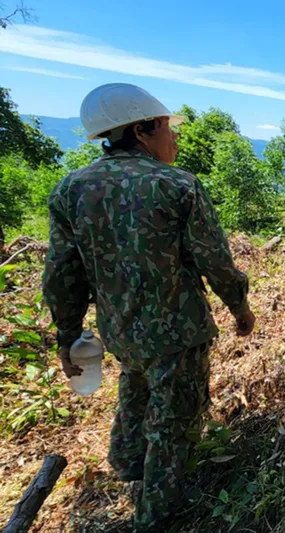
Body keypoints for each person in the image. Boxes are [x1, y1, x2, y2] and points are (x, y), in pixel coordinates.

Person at [41, 83, 256, 531]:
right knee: (173, 425)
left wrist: (67, 336)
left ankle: (128, 466)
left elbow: (63, 275)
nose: (174, 137)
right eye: (167, 127)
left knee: (135, 391)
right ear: (141, 130)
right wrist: (240, 308)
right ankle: (154, 515)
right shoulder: (177, 185)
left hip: (120, 332)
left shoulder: (70, 190)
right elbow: (215, 262)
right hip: (178, 331)